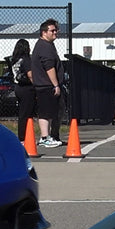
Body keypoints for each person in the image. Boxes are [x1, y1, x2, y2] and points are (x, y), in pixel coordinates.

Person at [30, 19, 63, 148]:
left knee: (49, 112)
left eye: (56, 30)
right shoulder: (44, 47)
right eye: (52, 30)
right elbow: (49, 67)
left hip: (45, 84)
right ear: (44, 32)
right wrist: (56, 85)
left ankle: (48, 136)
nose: (55, 32)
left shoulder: (46, 45)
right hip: (46, 85)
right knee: (45, 112)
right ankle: (45, 137)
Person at [10, 39, 36, 143]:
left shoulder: (15, 60)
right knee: (27, 113)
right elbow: (30, 75)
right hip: (27, 88)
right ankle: (24, 137)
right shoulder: (26, 59)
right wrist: (36, 86)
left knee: (22, 112)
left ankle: (22, 135)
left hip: (18, 87)